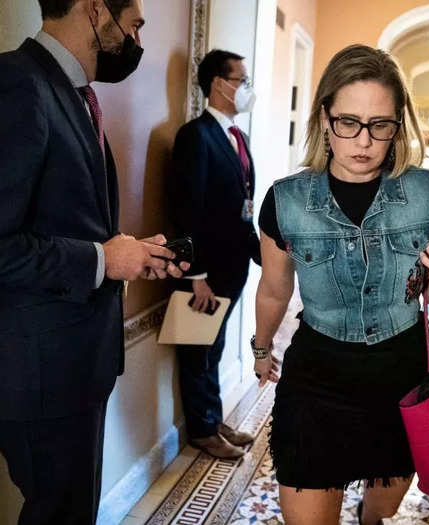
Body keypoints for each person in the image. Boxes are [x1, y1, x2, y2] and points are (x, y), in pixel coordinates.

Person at [252, 44, 429, 525]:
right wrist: (261, 347)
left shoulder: (427, 192)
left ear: (399, 124)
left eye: (380, 125)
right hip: (316, 384)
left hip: (401, 379)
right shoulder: (286, 201)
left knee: (378, 514)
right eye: (348, 122)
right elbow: (273, 289)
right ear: (325, 118)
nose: (364, 141)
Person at [0, 1, 188, 523]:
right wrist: (102, 259)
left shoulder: (73, 93)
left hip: (79, 362)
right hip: (40, 371)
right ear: (94, 9)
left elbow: (65, 223)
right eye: (134, 25)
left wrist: (129, 258)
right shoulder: (18, 84)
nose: (137, 40)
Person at [172, 49, 261, 459]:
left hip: (234, 265)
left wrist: (265, 254)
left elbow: (242, 205)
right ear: (218, 84)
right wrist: (196, 275)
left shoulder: (237, 138)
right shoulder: (195, 136)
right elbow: (185, 209)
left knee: (216, 345)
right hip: (203, 271)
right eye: (241, 80)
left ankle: (213, 417)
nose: (246, 88)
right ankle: (202, 430)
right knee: (197, 348)